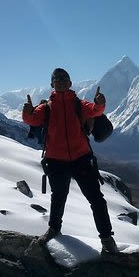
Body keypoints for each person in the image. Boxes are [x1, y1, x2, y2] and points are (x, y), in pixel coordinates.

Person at [22, 68, 118, 253]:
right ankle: (54, 229)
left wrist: (100, 103)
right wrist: (26, 112)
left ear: (69, 83)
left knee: (96, 199)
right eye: (57, 79)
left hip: (80, 158)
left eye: (63, 79)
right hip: (56, 160)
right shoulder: (47, 107)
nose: (60, 81)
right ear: (52, 84)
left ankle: (107, 238)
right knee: (58, 197)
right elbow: (31, 120)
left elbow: (95, 111)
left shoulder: (78, 104)